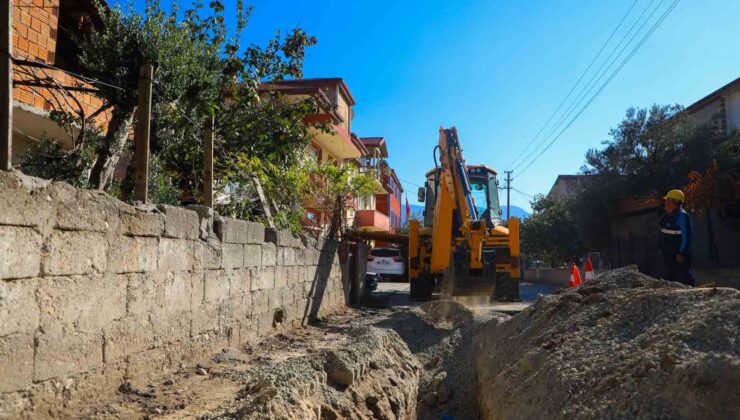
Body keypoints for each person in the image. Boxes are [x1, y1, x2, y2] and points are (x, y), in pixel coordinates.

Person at [659, 189, 695, 286]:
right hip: (668, 255)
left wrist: (681, 253)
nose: (665, 203)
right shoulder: (665, 217)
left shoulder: (682, 216)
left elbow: (687, 237)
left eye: (668, 200)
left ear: (675, 202)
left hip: (678, 256)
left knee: (684, 278)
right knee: (670, 279)